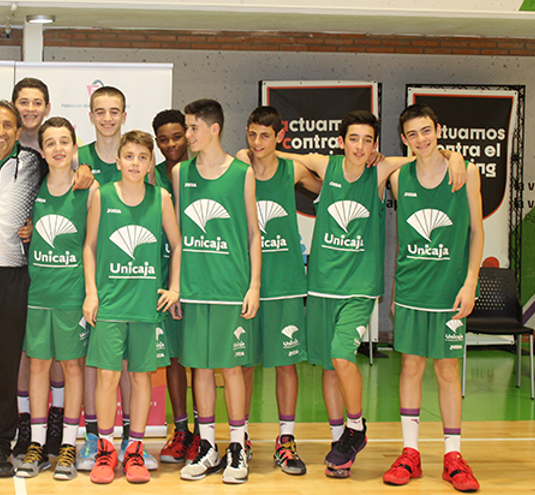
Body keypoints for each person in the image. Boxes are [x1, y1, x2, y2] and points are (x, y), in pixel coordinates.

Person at [279, 110, 466, 478]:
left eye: (368, 140)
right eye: (353, 139)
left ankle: (356, 426)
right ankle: (341, 445)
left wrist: (454, 155)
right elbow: (283, 157)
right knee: (328, 368)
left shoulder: (380, 171)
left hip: (359, 287)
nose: (360, 147)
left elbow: (423, 153)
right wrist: (244, 154)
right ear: (340, 141)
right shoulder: (325, 165)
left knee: (341, 354)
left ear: (376, 145)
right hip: (320, 285)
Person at [0, 100, 93, 478]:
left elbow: (71, 167)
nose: (0, 132)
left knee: (6, 368)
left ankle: (0, 446)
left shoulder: (35, 162)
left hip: (14, 276)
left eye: (8, 125)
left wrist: (87, 170)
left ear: (18, 131)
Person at [382, 103, 482, 492]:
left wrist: (471, 280)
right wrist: (393, 291)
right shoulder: (398, 177)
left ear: (438, 129)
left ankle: (453, 457)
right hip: (410, 290)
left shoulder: (466, 171)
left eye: (427, 131)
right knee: (410, 368)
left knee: (446, 371)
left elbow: (476, 231)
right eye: (412, 134)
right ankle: (410, 453)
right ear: (404, 140)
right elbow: (401, 241)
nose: (421, 139)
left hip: (449, 290)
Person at [83, 130, 181, 484]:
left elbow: (177, 243)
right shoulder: (102, 194)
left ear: (149, 162)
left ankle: (135, 448)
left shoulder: (162, 198)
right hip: (109, 304)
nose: (135, 163)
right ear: (118, 160)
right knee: (108, 377)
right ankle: (106, 448)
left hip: (145, 305)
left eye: (142, 157)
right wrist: (91, 293)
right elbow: (90, 246)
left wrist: (174, 287)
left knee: (140, 378)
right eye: (129, 157)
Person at [174, 99, 261, 485]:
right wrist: (176, 286)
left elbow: (253, 235)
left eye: (193, 128)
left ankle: (237, 446)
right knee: (200, 369)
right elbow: (176, 237)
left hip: (231, 289)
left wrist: (254, 285)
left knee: (232, 369)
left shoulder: (242, 172)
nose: (187, 135)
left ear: (214, 129)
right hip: (193, 289)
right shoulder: (180, 173)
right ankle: (207, 445)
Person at [235, 106, 322, 475]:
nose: (257, 143)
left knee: (286, 364)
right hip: (247, 282)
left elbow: (325, 182)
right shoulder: (239, 168)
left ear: (279, 135)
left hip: (286, 281)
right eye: (252, 135)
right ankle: (241, 438)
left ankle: (286, 440)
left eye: (265, 136)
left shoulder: (292, 170)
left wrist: (286, 154)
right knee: (244, 363)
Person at [14, 117, 98, 481]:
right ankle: (36, 442)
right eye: (51, 143)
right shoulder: (32, 190)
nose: (58, 149)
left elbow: (92, 247)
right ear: (42, 151)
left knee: (73, 368)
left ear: (75, 147)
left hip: (71, 297)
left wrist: (90, 294)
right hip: (37, 295)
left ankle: (67, 443)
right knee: (37, 367)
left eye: (65, 142)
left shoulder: (89, 191)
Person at [76, 86, 142, 471]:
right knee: (92, 363)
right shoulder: (78, 158)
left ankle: (133, 442)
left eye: (114, 111)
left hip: (130, 281)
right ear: (90, 115)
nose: (107, 118)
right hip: (87, 279)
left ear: (123, 115)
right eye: (100, 111)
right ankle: (93, 438)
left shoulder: (136, 162)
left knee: (132, 364)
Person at [150, 109, 201, 464]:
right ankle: (181, 430)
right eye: (163, 139)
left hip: (202, 276)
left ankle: (205, 431)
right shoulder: (149, 176)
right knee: (174, 357)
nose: (170, 144)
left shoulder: (204, 171)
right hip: (164, 278)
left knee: (201, 358)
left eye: (176, 136)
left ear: (188, 135)